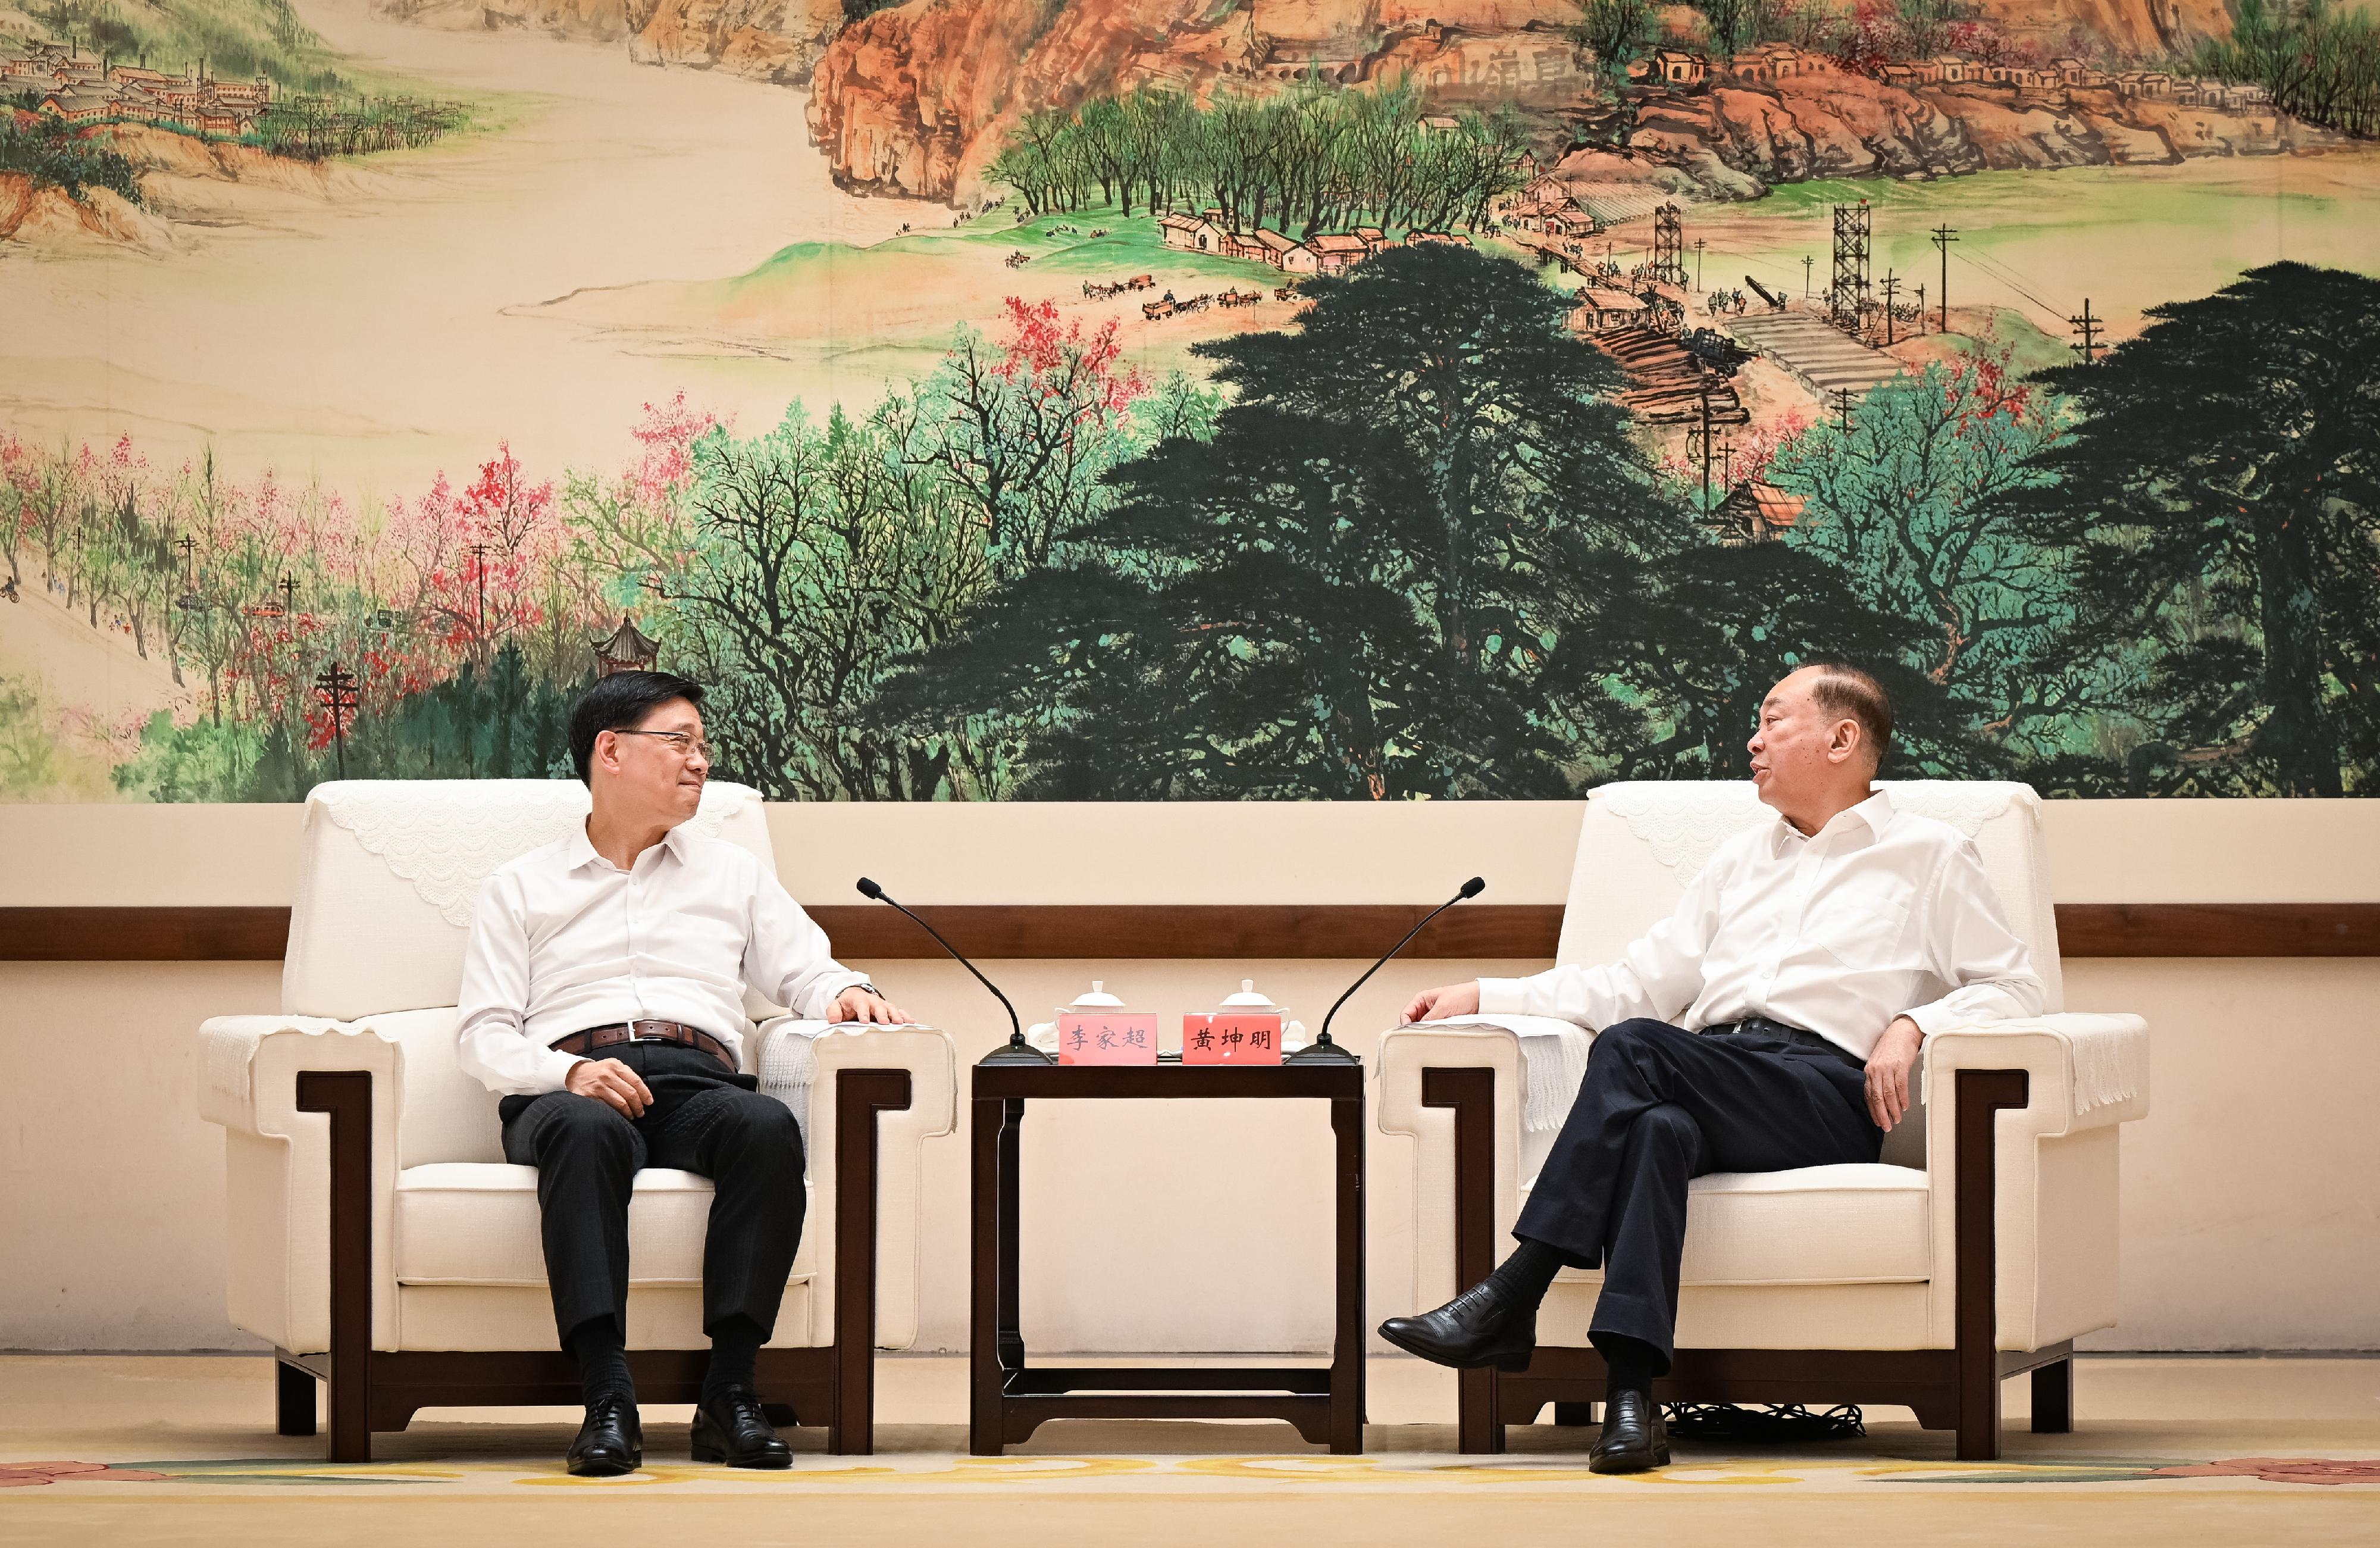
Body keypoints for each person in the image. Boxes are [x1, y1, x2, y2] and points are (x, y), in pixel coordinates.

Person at [1379, 663, 2042, 1474]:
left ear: (1843, 738)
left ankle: (1514, 1292)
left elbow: (2015, 987)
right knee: (1657, 1125)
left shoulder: (1931, 855)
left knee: (1634, 1046)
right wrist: (1484, 991)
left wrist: (1914, 1023)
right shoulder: (1738, 862)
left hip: (1822, 1092)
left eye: (1774, 721)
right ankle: (1631, 1401)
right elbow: (1630, 984)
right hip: (1716, 1070)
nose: (1753, 742)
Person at [456, 671, 914, 1477]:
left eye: (703, 746)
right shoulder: (518, 888)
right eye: (680, 741)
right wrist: (568, 1072)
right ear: (611, 751)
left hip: (695, 1079)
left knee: (767, 1125)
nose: (700, 761)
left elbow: (807, 970)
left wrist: (846, 989)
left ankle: (730, 1394)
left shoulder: (730, 874)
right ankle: (606, 1396)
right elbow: (482, 1035)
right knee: (586, 1129)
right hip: (569, 1085)